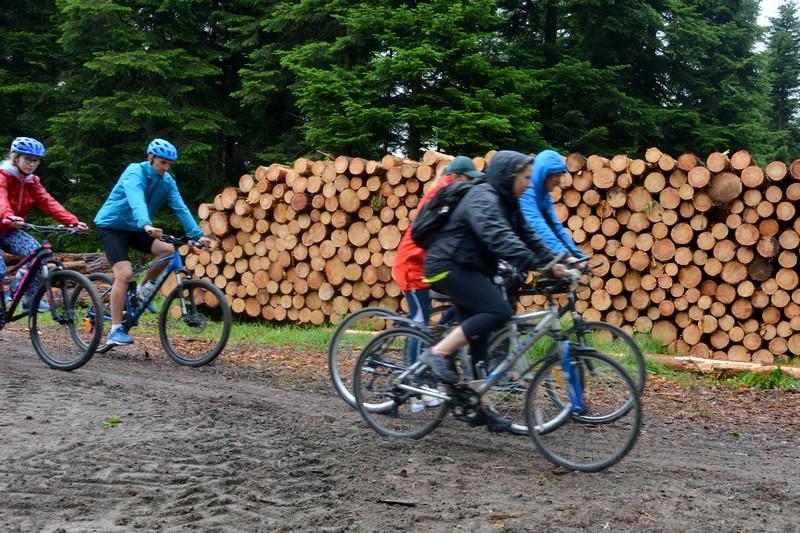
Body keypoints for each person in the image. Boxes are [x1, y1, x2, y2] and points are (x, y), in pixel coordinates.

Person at [420, 150, 563, 432]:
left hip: (470, 267)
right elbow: (499, 238)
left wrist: (557, 261)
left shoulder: (509, 201)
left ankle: (478, 404)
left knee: (480, 336)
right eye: (525, 178)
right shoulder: (483, 197)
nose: (529, 184)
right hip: (446, 265)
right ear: (509, 176)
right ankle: (437, 353)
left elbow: (529, 237)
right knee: (498, 311)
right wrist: (540, 265)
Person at [94, 139, 212, 345]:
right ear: (150, 158)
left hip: (137, 228)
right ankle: (115, 330)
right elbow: (136, 199)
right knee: (124, 274)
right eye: (162, 163)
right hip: (112, 227)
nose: (165, 168)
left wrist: (197, 234)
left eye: (169, 164)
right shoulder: (134, 172)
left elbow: (180, 208)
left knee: (168, 250)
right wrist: (146, 224)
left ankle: (141, 292)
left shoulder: (167, 181)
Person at [0, 137, 89, 311]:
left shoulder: (31, 181)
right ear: (16, 158)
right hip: (7, 220)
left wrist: (72, 221)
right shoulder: (3, 176)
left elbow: (48, 203)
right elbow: (1, 199)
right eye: (27, 159)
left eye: (36, 160)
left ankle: (30, 298)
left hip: (9, 229)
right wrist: (8, 215)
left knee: (38, 254)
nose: (31, 164)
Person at [519, 149, 585, 259]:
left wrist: (578, 255)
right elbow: (538, 227)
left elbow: (556, 226)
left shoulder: (544, 195)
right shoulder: (526, 192)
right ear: (545, 173)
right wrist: (564, 255)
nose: (559, 181)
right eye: (556, 175)